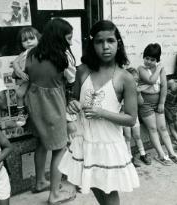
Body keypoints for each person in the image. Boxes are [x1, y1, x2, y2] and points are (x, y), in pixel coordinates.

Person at [59, 20, 139, 205]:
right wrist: (72, 104)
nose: (105, 47)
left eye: (110, 41)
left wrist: (101, 112)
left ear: (118, 43)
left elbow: (131, 119)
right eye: (99, 42)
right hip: (86, 140)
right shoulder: (83, 71)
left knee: (109, 191)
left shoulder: (125, 78)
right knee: (93, 183)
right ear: (92, 44)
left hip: (108, 143)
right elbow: (75, 99)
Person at [24, 18, 75, 204]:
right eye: (68, 38)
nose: (70, 42)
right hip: (53, 104)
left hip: (34, 102)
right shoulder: (62, 57)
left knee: (42, 143)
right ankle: (54, 194)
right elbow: (71, 79)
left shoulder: (31, 53)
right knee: (60, 148)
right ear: (59, 37)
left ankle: (40, 182)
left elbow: (25, 72)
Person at [137, 43, 177, 165]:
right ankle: (161, 155)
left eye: (153, 59)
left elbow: (164, 86)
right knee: (153, 128)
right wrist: (158, 68)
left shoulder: (161, 69)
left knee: (162, 128)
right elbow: (151, 81)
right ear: (144, 57)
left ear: (157, 59)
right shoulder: (141, 69)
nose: (149, 62)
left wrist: (162, 103)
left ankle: (171, 153)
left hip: (158, 102)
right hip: (145, 103)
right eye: (147, 58)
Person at [12, 27, 41, 126]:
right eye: (25, 40)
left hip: (40, 81)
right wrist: (20, 72)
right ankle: (21, 113)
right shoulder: (23, 54)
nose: (28, 42)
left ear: (38, 38)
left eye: (31, 38)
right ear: (21, 43)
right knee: (19, 93)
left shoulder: (42, 52)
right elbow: (15, 63)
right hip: (27, 79)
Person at [123, 67, 151, 167]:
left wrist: (138, 93)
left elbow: (141, 102)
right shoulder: (121, 92)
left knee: (137, 136)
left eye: (136, 81)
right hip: (124, 118)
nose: (134, 84)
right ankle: (129, 156)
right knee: (127, 137)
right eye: (131, 81)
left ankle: (143, 154)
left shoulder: (136, 92)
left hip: (134, 117)